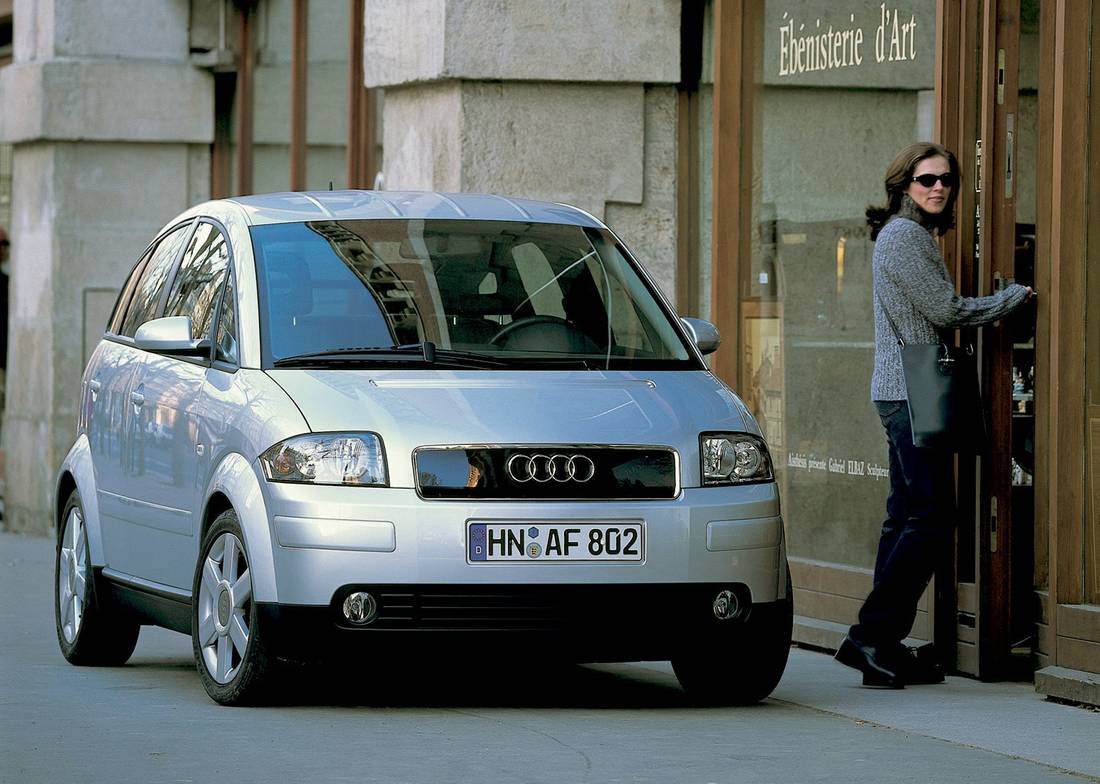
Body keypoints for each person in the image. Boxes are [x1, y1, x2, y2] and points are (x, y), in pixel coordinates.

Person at [834, 142, 1034, 688]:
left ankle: (882, 644)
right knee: (930, 517)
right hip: (911, 394)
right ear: (904, 186)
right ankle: (870, 637)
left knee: (905, 516)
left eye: (946, 180)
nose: (938, 188)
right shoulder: (905, 236)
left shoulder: (906, 236)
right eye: (926, 180)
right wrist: (1009, 299)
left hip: (903, 392)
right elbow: (945, 310)